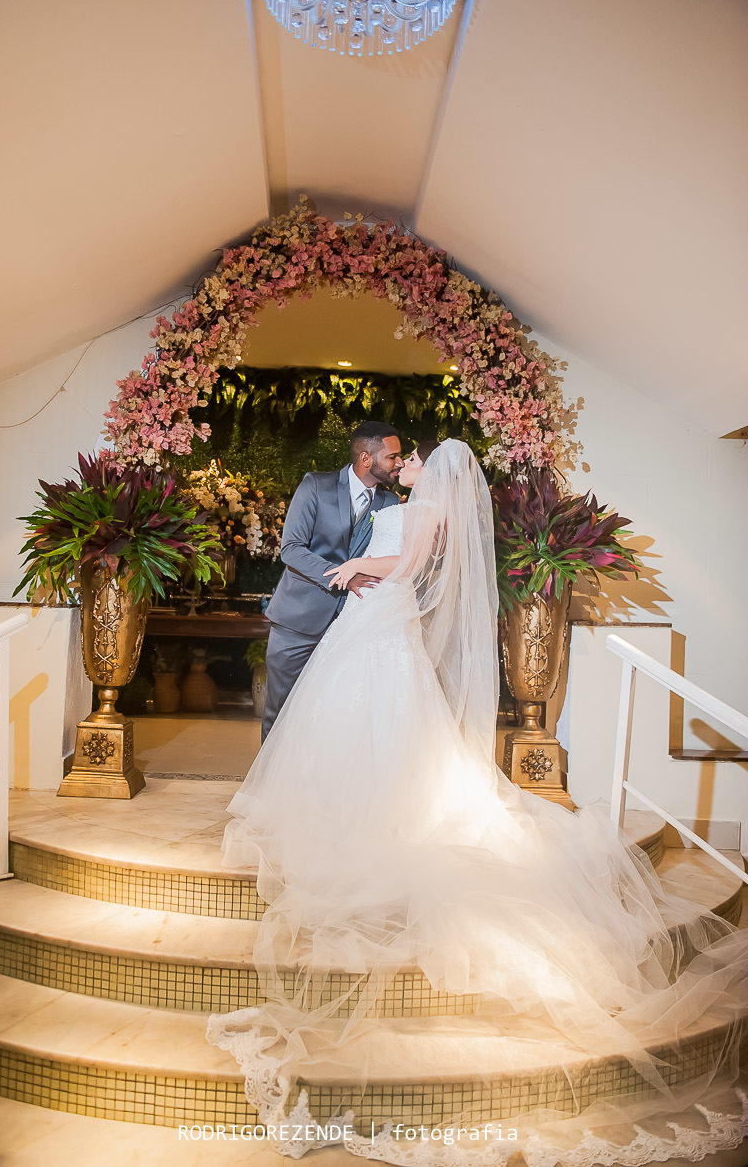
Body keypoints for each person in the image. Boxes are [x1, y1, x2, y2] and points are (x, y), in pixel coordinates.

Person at [207, 439, 748, 1165]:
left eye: (414, 455)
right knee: (354, 723)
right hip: (370, 622)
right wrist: (362, 566)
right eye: (400, 454)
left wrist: (361, 565)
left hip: (382, 614)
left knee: (385, 726)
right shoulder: (414, 501)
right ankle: (352, 805)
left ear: (436, 469)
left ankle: (378, 817)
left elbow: (405, 566)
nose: (406, 459)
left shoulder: (428, 507)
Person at [260, 420, 403, 739]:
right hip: (298, 621)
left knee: (332, 717)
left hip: (352, 625)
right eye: (393, 456)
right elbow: (292, 549)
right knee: (280, 712)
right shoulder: (316, 486)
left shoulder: (391, 503)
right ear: (367, 458)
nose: (400, 462)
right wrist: (345, 577)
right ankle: (272, 789)